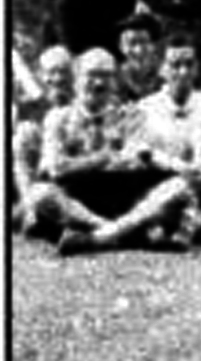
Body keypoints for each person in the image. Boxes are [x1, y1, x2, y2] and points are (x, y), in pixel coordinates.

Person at [34, 49, 192, 255]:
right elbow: (56, 168)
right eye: (92, 75)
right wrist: (105, 156)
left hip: (124, 196)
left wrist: (120, 157)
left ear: (115, 82)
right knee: (40, 193)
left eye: (106, 76)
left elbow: (137, 160)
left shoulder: (130, 116)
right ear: (76, 78)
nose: (99, 83)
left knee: (179, 186)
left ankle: (99, 237)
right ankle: (118, 231)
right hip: (79, 199)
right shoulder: (58, 118)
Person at [131, 33, 201, 245]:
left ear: (197, 68)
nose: (183, 72)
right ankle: (196, 223)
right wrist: (179, 167)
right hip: (164, 179)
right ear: (161, 69)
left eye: (189, 64)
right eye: (175, 65)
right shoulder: (146, 107)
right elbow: (145, 153)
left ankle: (184, 224)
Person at [12, 47, 74, 235]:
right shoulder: (32, 101)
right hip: (42, 161)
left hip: (71, 157)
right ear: (41, 74)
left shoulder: (81, 95)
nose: (58, 78)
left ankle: (32, 209)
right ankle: (31, 208)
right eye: (51, 72)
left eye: (63, 71)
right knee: (24, 134)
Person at [115, 12, 164, 103]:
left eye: (144, 42)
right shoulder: (113, 83)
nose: (139, 50)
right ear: (121, 47)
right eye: (132, 43)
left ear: (153, 45)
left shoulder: (166, 78)